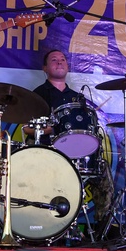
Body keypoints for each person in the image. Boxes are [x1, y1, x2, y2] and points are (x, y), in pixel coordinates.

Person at [26, 49, 113, 230]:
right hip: (48, 152)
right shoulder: (37, 95)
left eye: (63, 59)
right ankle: (45, 225)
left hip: (75, 154)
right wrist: (50, 129)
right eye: (54, 60)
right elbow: (27, 127)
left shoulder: (77, 98)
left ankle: (103, 227)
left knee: (101, 167)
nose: (59, 62)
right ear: (44, 68)